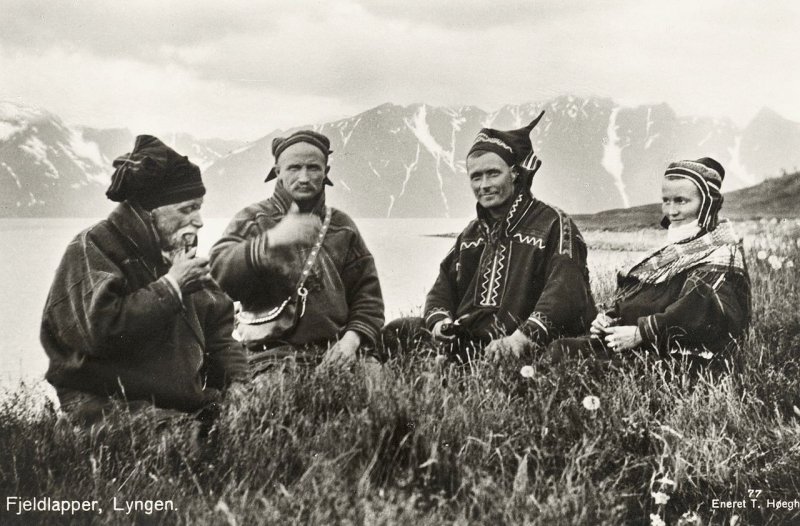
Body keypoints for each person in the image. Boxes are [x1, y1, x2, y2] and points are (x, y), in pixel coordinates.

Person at [41, 135, 248, 427]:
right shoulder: (93, 247)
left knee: (255, 426)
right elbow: (101, 331)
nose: (200, 220)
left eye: (199, 207)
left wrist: (238, 382)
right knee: (188, 444)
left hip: (175, 403)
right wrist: (171, 288)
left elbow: (219, 331)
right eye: (188, 208)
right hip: (108, 405)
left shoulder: (176, 251)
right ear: (151, 211)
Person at [385, 112, 595, 362]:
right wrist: (440, 323)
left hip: (524, 340)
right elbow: (443, 288)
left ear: (515, 173)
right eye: (476, 176)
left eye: (493, 173)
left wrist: (522, 337)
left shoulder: (553, 224)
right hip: (471, 338)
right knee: (396, 331)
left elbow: (566, 291)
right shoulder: (470, 234)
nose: (483, 185)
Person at [546, 157, 751, 369]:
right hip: (642, 341)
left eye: (681, 201)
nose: (671, 211)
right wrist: (610, 317)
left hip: (682, 353)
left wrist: (641, 333)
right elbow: (645, 299)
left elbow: (699, 315)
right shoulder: (676, 250)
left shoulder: (721, 255)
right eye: (666, 200)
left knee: (584, 365)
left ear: (708, 204)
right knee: (562, 348)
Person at [209, 130, 384, 377]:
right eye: (294, 168)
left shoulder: (343, 226)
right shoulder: (253, 219)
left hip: (337, 350)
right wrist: (272, 241)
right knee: (272, 408)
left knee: (380, 395)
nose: (304, 177)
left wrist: (351, 341)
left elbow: (368, 297)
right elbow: (218, 275)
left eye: (313, 167)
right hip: (269, 356)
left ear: (326, 172)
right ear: (277, 171)